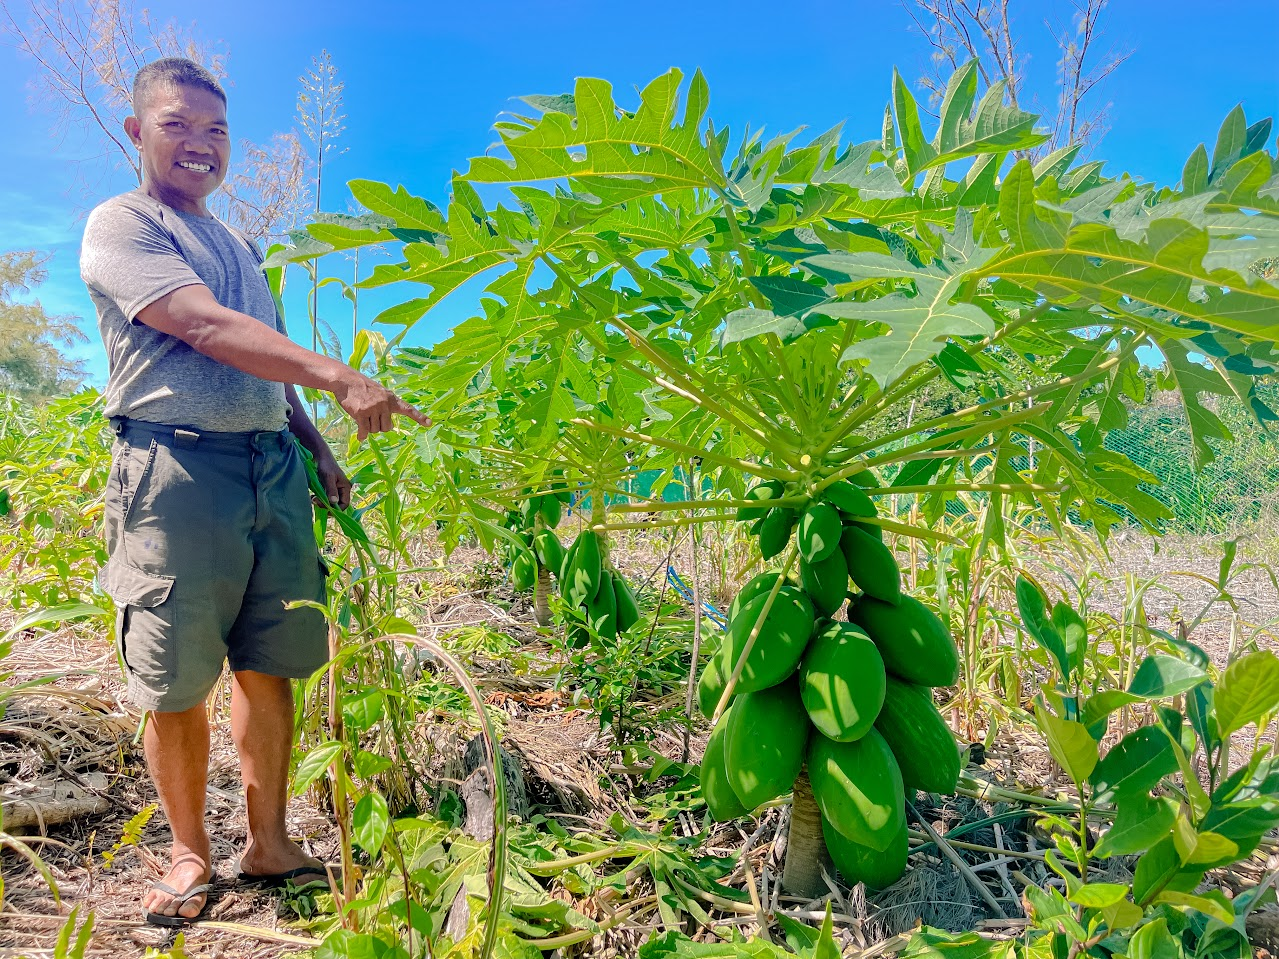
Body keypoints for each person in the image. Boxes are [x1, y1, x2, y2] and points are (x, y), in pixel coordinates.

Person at [79, 57, 427, 927]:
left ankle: (268, 842)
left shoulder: (239, 243)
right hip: (176, 470)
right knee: (174, 676)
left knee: (272, 660)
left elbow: (264, 358)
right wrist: (341, 372)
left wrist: (312, 444)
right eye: (177, 124)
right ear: (137, 132)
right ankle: (190, 851)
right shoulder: (124, 224)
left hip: (271, 466)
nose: (200, 144)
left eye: (216, 130)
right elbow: (201, 326)